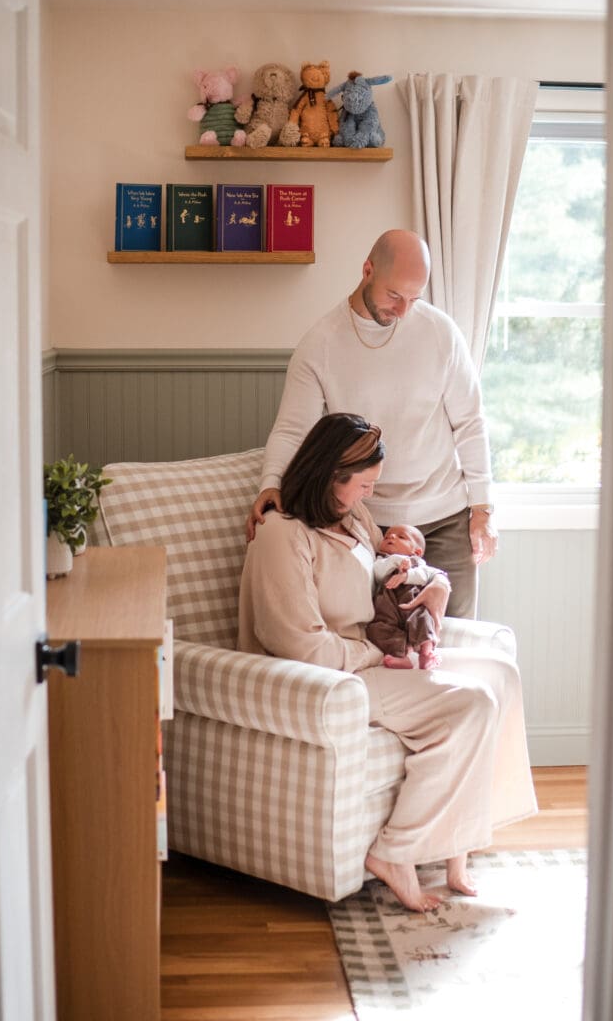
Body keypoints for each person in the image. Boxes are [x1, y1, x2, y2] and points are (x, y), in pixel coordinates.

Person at [238, 413, 537, 913]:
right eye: (364, 485)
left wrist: (436, 584)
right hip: (332, 677)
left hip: (375, 660)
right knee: (470, 701)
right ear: (330, 476)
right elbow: (300, 645)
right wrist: (384, 651)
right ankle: (394, 852)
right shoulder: (281, 537)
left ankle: (460, 842)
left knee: (498, 673)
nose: (369, 497)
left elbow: (396, 570)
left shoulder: (352, 520)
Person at [246, 229, 498, 619]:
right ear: (367, 270)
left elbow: (470, 423)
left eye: (414, 299)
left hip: (445, 515)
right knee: (379, 638)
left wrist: (482, 509)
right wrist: (271, 483)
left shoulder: (441, 333)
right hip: (366, 522)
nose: (403, 311)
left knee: (451, 643)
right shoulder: (320, 344)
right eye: (394, 295)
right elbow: (293, 429)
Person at [368, 524, 446, 670]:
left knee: (422, 618)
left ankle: (426, 652)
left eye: (401, 537)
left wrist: (406, 576)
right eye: (387, 536)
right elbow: (378, 574)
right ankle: (405, 657)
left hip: (413, 602)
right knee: (377, 629)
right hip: (386, 606)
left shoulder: (418, 564)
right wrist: (397, 561)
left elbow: (425, 577)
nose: (391, 537)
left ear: (416, 552)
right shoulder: (381, 561)